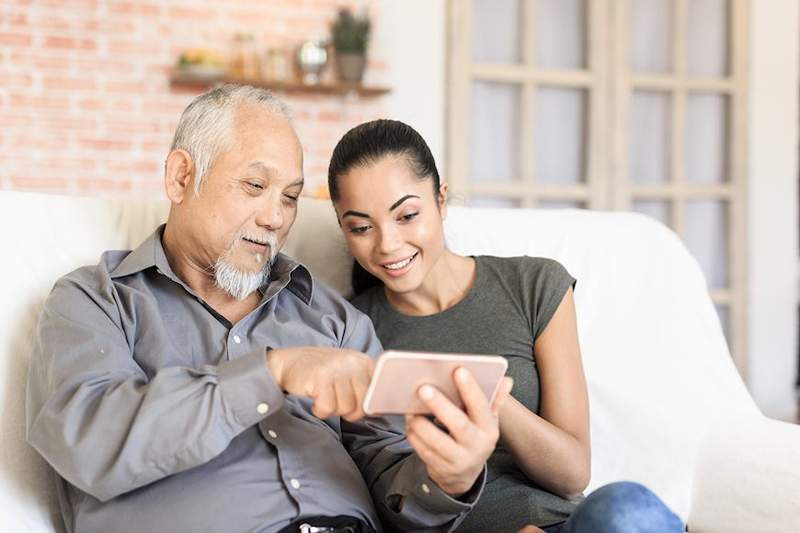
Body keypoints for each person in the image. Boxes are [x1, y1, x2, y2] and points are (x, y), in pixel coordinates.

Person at [25, 85, 513, 533]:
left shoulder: (335, 320)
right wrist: (271, 372)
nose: (275, 217)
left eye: (291, 197)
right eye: (255, 187)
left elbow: (393, 476)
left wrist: (448, 477)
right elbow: (88, 442)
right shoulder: (96, 300)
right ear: (180, 177)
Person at [326, 119, 685, 533]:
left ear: (441, 202)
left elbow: (572, 475)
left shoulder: (534, 286)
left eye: (407, 215)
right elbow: (389, 502)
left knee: (628, 509)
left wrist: (486, 395)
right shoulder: (351, 332)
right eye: (361, 227)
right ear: (343, 228)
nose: (387, 244)